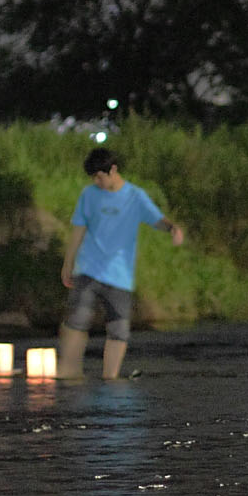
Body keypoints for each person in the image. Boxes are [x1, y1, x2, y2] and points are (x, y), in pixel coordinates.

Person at [58, 148, 184, 379]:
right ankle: (68, 374)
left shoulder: (135, 197)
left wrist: (173, 229)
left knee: (118, 330)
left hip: (119, 275)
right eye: (93, 177)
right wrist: (68, 263)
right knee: (76, 321)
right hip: (88, 269)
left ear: (113, 169)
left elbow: (157, 220)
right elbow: (78, 230)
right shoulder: (89, 195)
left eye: (100, 176)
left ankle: (110, 379)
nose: (97, 181)